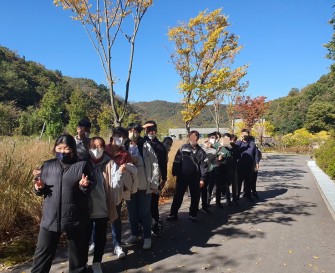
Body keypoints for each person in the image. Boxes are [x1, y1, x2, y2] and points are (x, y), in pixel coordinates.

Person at [31, 134, 94, 273]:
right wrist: (39, 188)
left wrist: (85, 185)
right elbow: (42, 191)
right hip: (50, 218)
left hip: (75, 218)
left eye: (66, 148)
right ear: (55, 148)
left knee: (78, 260)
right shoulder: (47, 166)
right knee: (41, 257)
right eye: (59, 148)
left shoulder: (82, 165)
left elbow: (89, 188)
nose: (62, 152)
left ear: (73, 149)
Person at [124, 123, 160, 250]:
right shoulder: (124, 145)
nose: (133, 133)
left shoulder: (145, 145)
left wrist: (155, 182)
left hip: (144, 184)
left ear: (139, 133)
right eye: (131, 130)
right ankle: (134, 234)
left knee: (144, 212)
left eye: (136, 131)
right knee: (132, 212)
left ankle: (147, 237)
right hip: (129, 185)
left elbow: (155, 163)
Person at [105, 127, 137, 259]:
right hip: (101, 189)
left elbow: (130, 173)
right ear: (112, 135)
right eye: (118, 135)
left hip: (116, 190)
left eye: (123, 137)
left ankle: (117, 245)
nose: (120, 139)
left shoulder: (125, 154)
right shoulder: (103, 149)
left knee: (115, 217)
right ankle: (94, 243)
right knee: (97, 218)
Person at [167, 130, 208, 222]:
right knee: (178, 195)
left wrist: (202, 179)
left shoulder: (201, 152)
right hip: (182, 177)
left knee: (195, 196)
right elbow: (177, 161)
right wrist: (175, 172)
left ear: (198, 138)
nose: (194, 138)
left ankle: (193, 214)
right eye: (192, 136)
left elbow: (204, 166)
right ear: (189, 137)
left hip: (195, 178)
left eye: (196, 136)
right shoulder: (183, 148)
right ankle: (173, 214)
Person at [143, 120, 167, 237]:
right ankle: (143, 226)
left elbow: (163, 164)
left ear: (156, 131)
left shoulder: (160, 146)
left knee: (153, 203)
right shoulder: (140, 143)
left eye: (153, 129)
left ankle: (155, 224)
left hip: (155, 179)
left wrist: (164, 179)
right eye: (148, 129)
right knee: (143, 204)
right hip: (141, 179)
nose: (151, 132)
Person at [235, 128, 258, 201]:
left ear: (248, 135)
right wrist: (240, 140)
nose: (244, 136)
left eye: (246, 135)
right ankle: (237, 194)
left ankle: (248, 195)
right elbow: (235, 148)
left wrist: (257, 163)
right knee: (238, 181)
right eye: (243, 134)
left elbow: (256, 153)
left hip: (249, 165)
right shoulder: (239, 143)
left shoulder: (252, 143)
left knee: (248, 181)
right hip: (240, 165)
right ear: (241, 135)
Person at [200, 133, 217, 213]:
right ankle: (195, 208)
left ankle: (205, 205)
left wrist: (218, 160)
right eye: (212, 138)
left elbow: (215, 162)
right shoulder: (201, 147)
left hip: (209, 171)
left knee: (205, 190)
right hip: (199, 172)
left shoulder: (214, 150)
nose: (213, 140)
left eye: (215, 138)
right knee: (198, 190)